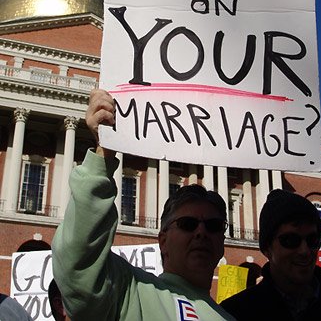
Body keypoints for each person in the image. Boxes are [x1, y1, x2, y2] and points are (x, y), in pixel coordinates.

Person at [52, 89, 235, 320]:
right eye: (188, 224)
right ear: (163, 241)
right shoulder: (130, 291)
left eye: (213, 225)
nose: (201, 232)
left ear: (222, 245)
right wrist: (104, 153)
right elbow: (77, 265)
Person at [221, 189, 321, 320]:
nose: (304, 251)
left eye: (312, 240)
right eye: (291, 240)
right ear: (267, 248)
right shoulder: (235, 313)